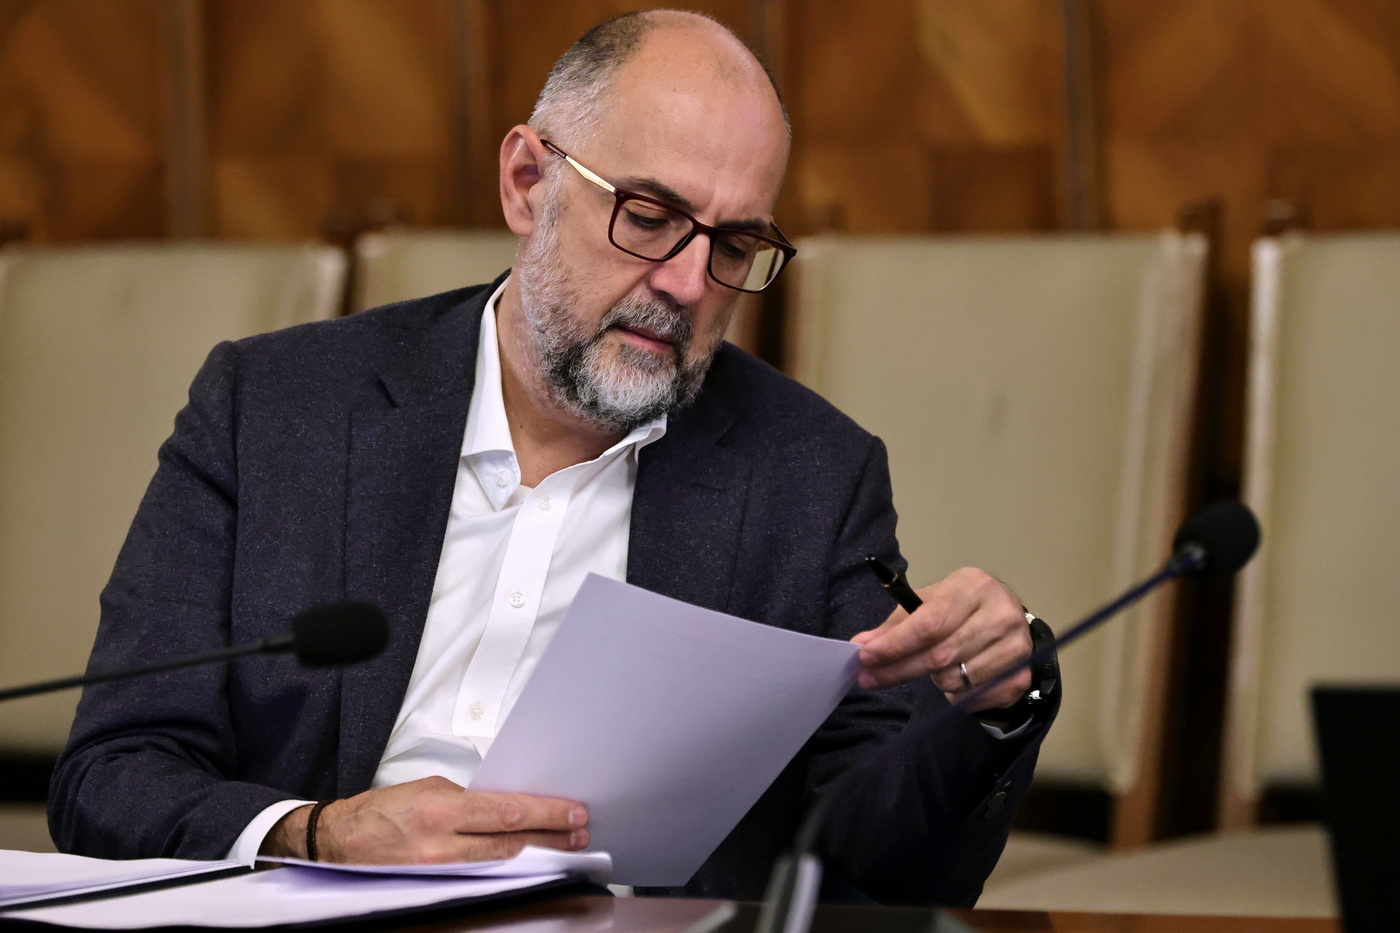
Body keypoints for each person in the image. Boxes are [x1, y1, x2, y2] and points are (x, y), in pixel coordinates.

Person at [50, 10, 1056, 905]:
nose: (687, 283)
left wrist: (988, 705)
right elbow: (113, 773)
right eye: (649, 217)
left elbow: (879, 864)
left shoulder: (810, 474)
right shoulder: (274, 407)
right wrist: (317, 833)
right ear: (528, 182)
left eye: (732, 246)